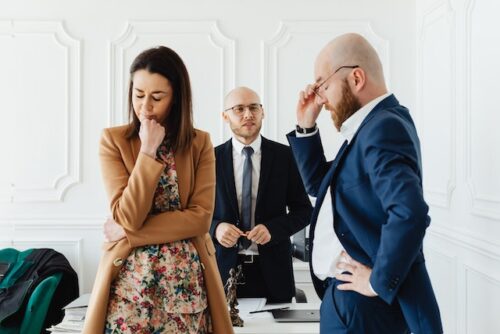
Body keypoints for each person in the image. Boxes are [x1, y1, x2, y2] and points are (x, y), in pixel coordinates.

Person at [287, 33, 443, 333]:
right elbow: (322, 186)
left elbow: (409, 213)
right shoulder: (373, 127)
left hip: (362, 309)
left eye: (323, 85)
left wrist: (376, 282)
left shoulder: (382, 128)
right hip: (353, 304)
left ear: (356, 78)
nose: (321, 98)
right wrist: (306, 126)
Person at [83, 46, 233, 334]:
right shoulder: (113, 141)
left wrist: (129, 232)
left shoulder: (200, 143)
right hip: (130, 292)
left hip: (186, 290)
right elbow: (128, 214)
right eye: (138, 95)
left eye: (157, 97)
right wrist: (148, 151)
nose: (145, 107)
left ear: (176, 97)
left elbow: (200, 219)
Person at [210, 86, 312, 303]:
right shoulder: (209, 159)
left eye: (253, 107)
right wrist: (216, 228)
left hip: (274, 274)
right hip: (221, 270)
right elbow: (193, 213)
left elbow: (304, 211)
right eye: (239, 109)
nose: (248, 114)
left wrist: (272, 229)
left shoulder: (286, 156)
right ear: (225, 116)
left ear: (262, 112)